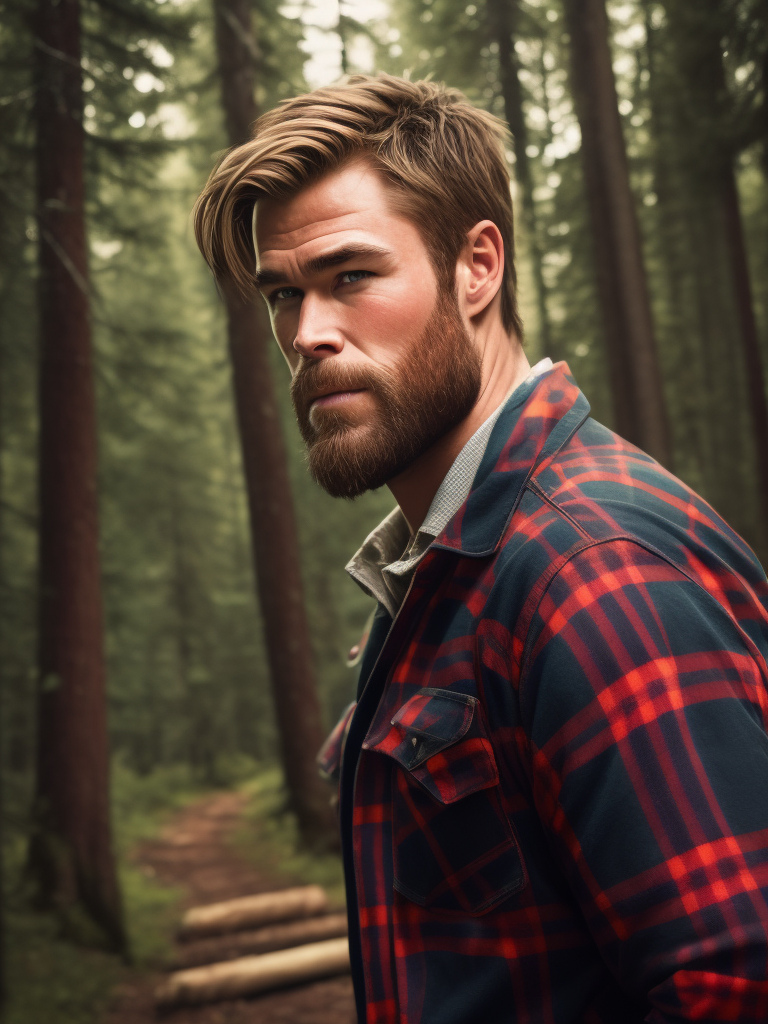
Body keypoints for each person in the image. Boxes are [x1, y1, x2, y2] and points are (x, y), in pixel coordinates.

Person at [194, 74, 768, 1024]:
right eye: (283, 295)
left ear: (478, 267)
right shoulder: (452, 563)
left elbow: (736, 985)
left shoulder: (594, 571)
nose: (308, 334)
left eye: (351, 277)